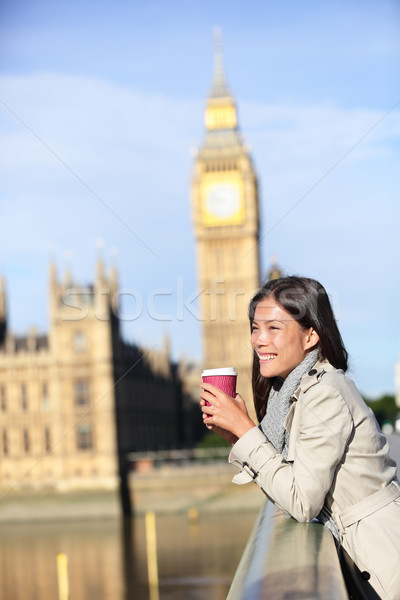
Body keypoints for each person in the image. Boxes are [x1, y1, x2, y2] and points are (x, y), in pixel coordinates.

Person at [200, 276, 400, 600]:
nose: (259, 340)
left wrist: (247, 432)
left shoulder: (325, 393)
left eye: (273, 328)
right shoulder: (292, 391)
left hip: (383, 560)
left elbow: (302, 501)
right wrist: (236, 436)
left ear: (310, 335)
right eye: (254, 328)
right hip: (364, 554)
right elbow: (287, 482)